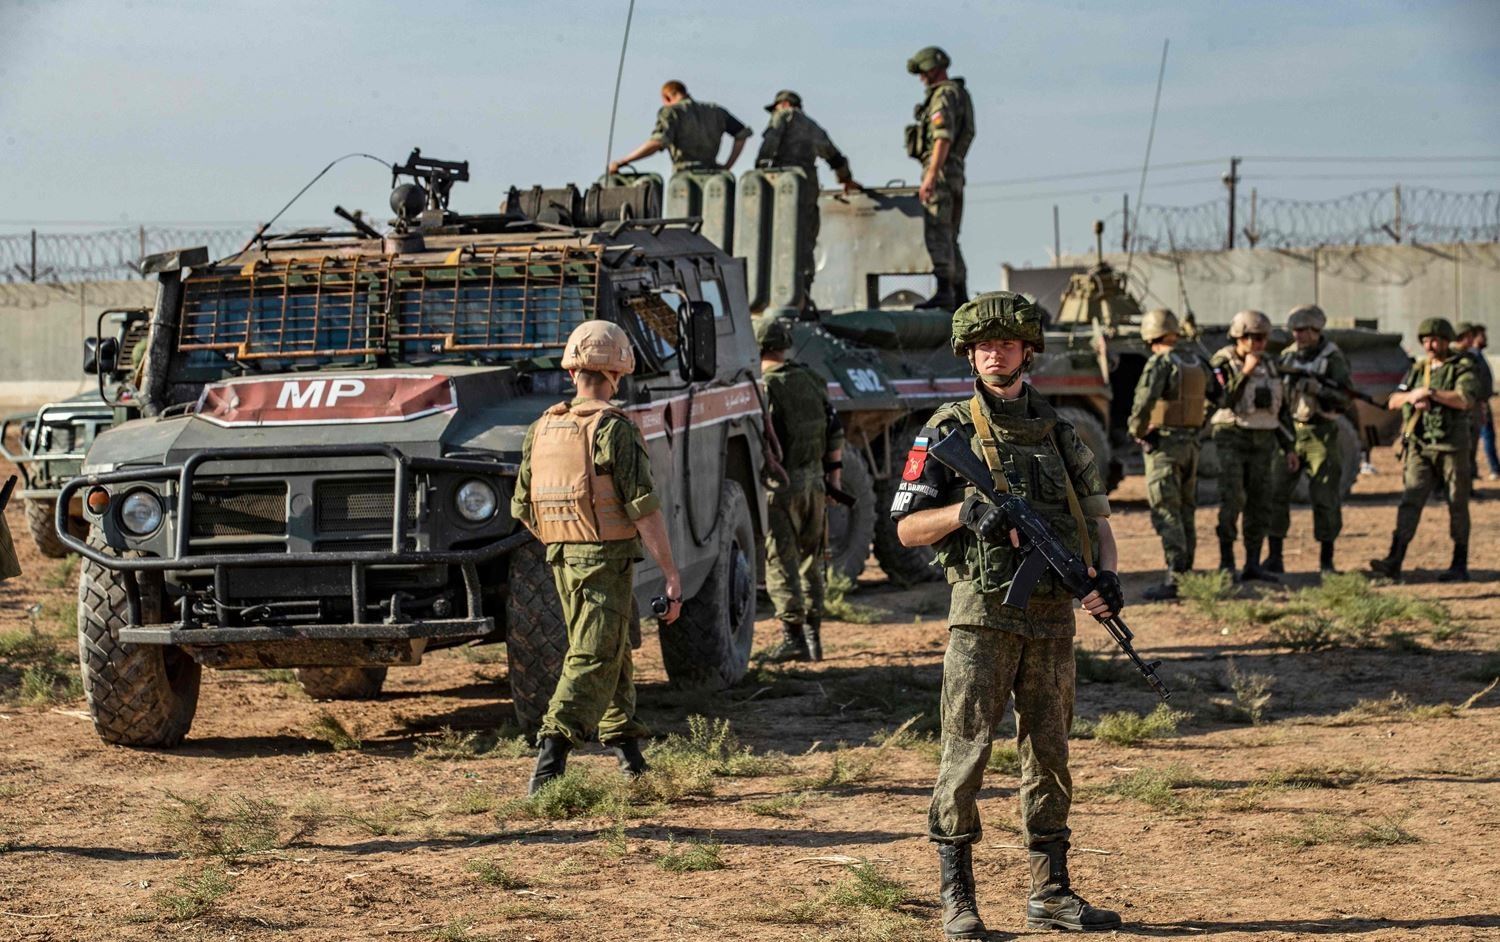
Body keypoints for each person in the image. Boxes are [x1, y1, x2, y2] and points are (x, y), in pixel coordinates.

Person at [890, 292, 1124, 937]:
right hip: (982, 615)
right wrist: (964, 513)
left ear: (1028, 351)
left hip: (1051, 619)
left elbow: (1098, 522)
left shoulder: (1059, 432)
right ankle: (957, 898)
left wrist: (1105, 577)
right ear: (969, 355)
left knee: (1049, 753)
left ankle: (1051, 892)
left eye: (1007, 344)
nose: (996, 355)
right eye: (984, 346)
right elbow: (906, 530)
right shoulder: (947, 430)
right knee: (966, 750)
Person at [511, 320, 684, 795]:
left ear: (572, 372)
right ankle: (549, 764)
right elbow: (643, 508)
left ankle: (630, 756)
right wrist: (671, 575)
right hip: (604, 559)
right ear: (617, 373)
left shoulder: (542, 427)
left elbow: (521, 507)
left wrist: (564, 539)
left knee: (613, 650)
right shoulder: (615, 428)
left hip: (562, 559)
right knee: (594, 655)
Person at [756, 314, 845, 662]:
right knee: (812, 559)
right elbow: (834, 430)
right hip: (815, 483)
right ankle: (814, 638)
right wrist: (833, 480)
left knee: (781, 560)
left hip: (780, 486)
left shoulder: (763, 387)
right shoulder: (811, 378)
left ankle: (793, 638)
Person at [1369, 318, 1479, 582]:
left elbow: (1464, 399)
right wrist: (1413, 396)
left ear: (1446, 341)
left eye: (1435, 340)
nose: (1430, 346)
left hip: (1452, 446)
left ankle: (1459, 563)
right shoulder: (1419, 369)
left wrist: (1431, 393)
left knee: (1457, 503)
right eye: (1426, 341)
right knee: (1411, 499)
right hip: (1420, 445)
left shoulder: (1461, 368)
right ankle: (1394, 560)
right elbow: (1394, 401)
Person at [1128, 308, 1218, 600]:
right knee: (1185, 509)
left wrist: (1138, 430)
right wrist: (1198, 423)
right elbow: (1220, 396)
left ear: (1150, 335)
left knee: (1166, 510)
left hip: (1165, 448)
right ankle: (1185, 573)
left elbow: (1143, 402)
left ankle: (1175, 578)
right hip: (1191, 445)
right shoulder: (1196, 361)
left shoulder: (1160, 363)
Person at [1209, 309, 1299, 582]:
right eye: (1254, 338)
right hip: (1232, 437)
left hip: (1264, 439)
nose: (1260, 343)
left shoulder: (1270, 365)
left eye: (1263, 338)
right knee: (1232, 499)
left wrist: (1289, 447)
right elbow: (1224, 399)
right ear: (1240, 337)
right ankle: (1227, 563)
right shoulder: (1223, 362)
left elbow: (1281, 411)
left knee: (1260, 502)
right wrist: (1246, 372)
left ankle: (1253, 563)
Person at [1266, 304, 1352, 575]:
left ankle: (1326, 561)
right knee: (1276, 493)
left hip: (1320, 432)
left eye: (1304, 330)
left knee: (1325, 495)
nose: (1298, 335)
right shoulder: (1288, 357)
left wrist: (1319, 390)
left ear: (1316, 330)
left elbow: (1345, 397)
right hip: (1290, 432)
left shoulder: (1332, 358)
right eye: (1295, 330)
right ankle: (1275, 556)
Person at [755, 90, 862, 307]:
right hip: (808, 184)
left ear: (784, 104)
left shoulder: (784, 116)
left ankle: (779, 293)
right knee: (805, 241)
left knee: (777, 238)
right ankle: (803, 293)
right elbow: (834, 155)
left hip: (784, 184)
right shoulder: (813, 126)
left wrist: (759, 173)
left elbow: (770, 142)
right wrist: (846, 179)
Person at [905, 46, 975, 311]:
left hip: (942, 171)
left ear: (933, 69)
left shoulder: (943, 95)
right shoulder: (960, 93)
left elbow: (942, 137)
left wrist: (932, 175)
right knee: (951, 236)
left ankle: (946, 292)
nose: (921, 78)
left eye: (923, 72)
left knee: (938, 231)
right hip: (955, 171)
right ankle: (960, 294)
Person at [607, 80, 752, 175]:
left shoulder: (671, 112)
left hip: (685, 179)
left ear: (667, 98)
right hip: (714, 178)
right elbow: (741, 134)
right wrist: (727, 166)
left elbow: (657, 142)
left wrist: (623, 161)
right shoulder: (716, 111)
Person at [1454, 322, 1496, 483]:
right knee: (1469, 444)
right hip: (1471, 406)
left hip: (1477, 405)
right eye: (1471, 336)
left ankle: (1470, 480)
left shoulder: (1474, 356)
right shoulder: (1466, 357)